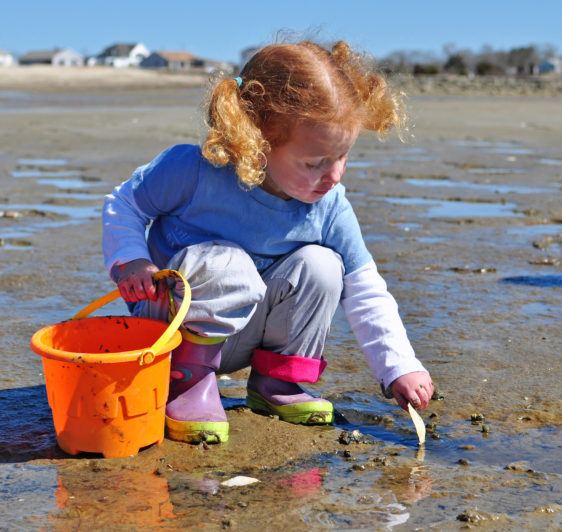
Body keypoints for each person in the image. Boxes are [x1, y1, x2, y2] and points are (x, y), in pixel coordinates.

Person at [102, 40, 434, 444]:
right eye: (315, 163)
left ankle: (278, 384)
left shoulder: (328, 206)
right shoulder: (194, 170)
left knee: (324, 266)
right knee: (227, 261)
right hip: (170, 328)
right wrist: (131, 260)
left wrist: (399, 366)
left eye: (343, 156)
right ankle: (186, 384)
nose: (335, 176)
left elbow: (365, 288)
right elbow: (126, 203)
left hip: (247, 337)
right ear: (256, 141)